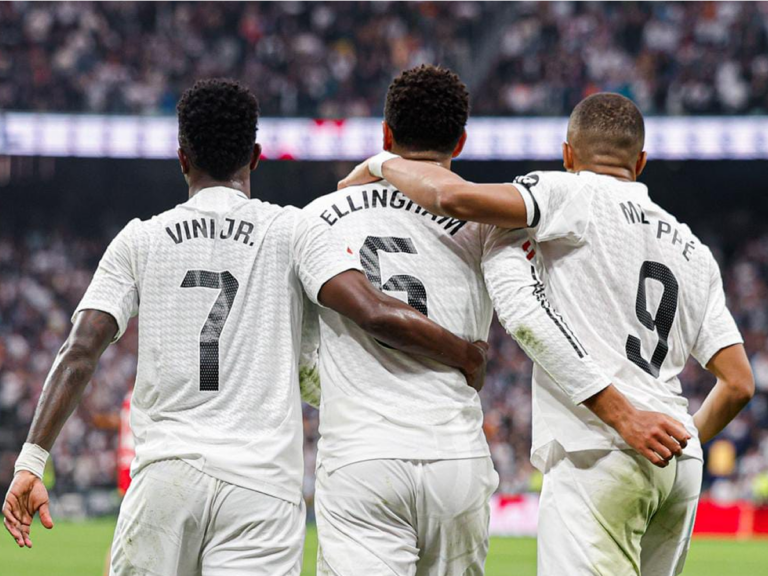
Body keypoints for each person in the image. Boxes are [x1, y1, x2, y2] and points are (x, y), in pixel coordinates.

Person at [2, 78, 488, 575]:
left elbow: (80, 349)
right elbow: (371, 310)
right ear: (256, 156)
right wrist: (464, 353)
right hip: (262, 492)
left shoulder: (138, 240)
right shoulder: (293, 230)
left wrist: (31, 462)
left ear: (182, 158)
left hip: (166, 476)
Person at [340, 91, 755, 575]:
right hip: (677, 465)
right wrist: (683, 442)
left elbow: (453, 197)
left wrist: (384, 163)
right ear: (640, 162)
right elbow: (739, 383)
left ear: (567, 155)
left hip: (600, 449)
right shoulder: (692, 248)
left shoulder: (568, 192)